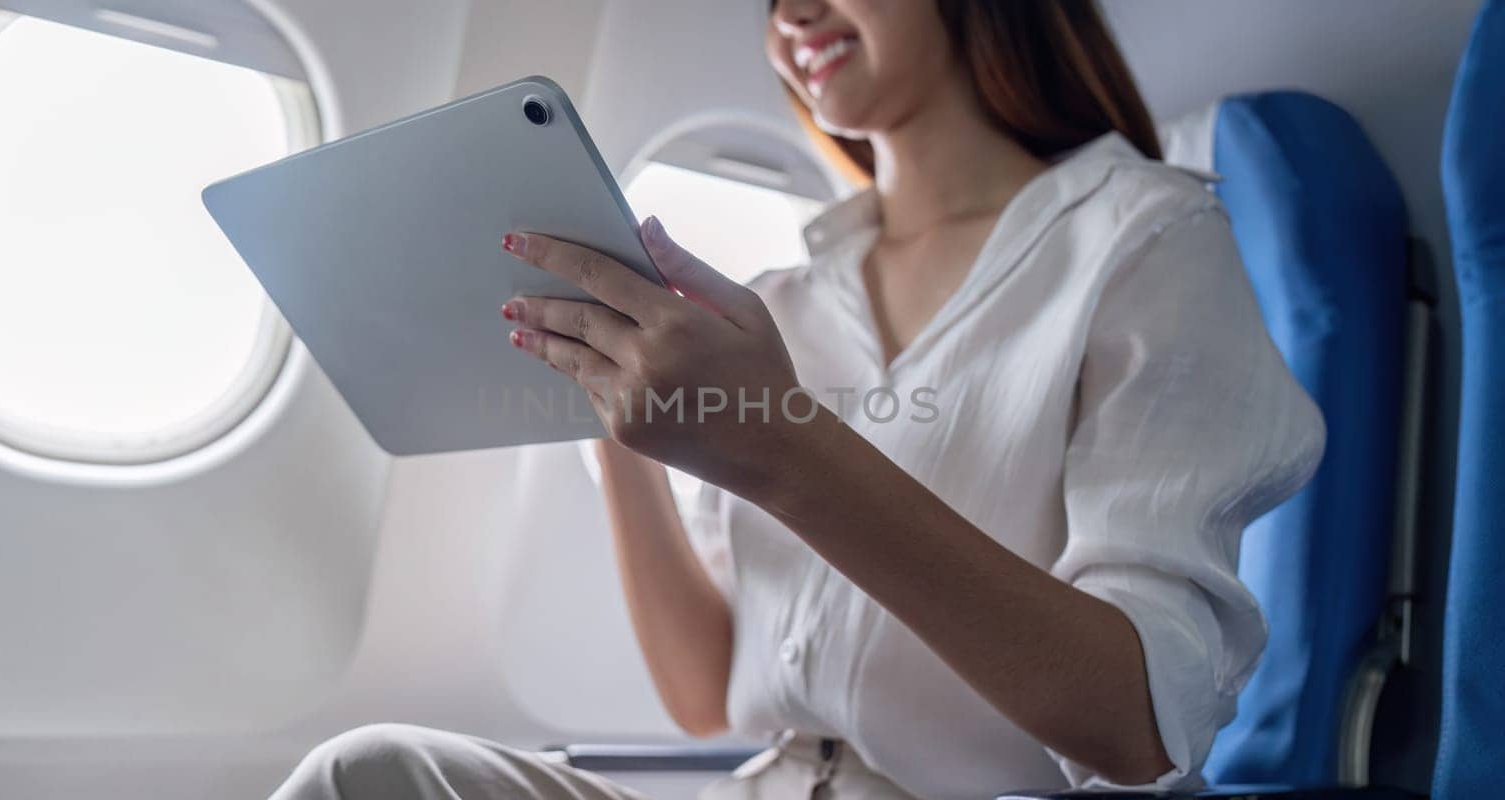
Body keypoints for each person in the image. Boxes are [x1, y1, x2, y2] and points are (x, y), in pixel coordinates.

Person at [269, 1, 1326, 798]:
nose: (793, 16)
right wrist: (621, 434)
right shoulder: (784, 299)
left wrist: (782, 448)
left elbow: (1136, 724)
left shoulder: (1144, 240)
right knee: (372, 769)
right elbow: (705, 694)